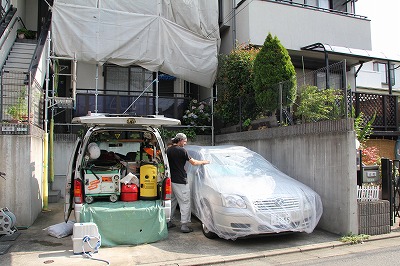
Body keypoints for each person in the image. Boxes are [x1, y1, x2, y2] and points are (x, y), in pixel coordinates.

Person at [167, 133, 210, 233]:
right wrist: (204, 162)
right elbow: (194, 163)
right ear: (180, 140)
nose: (185, 143)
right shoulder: (181, 150)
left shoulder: (168, 150)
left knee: (173, 201)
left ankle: (168, 221)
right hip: (181, 180)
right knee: (185, 202)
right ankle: (184, 225)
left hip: (171, 179)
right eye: (185, 141)